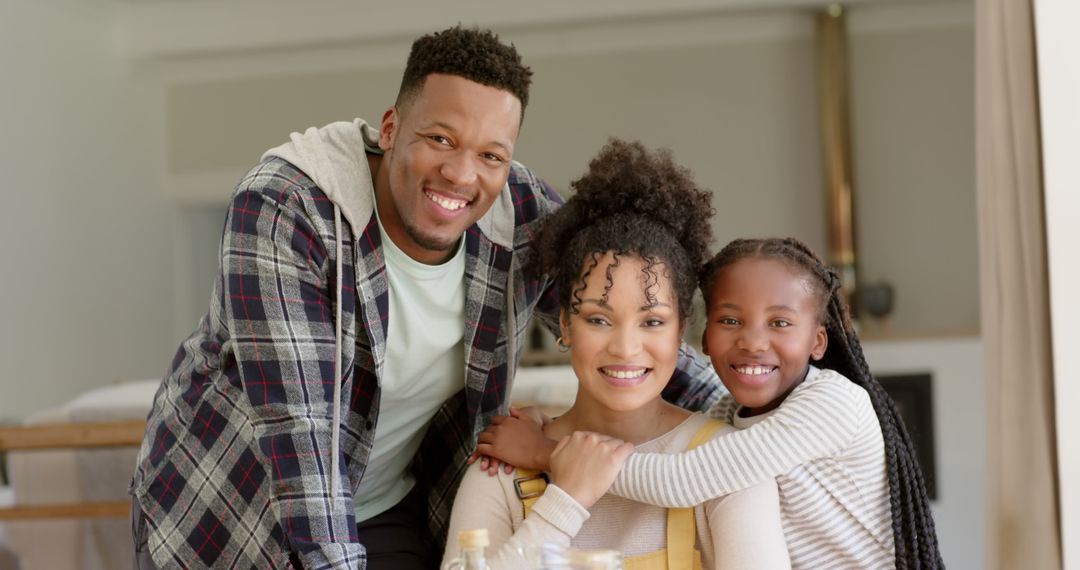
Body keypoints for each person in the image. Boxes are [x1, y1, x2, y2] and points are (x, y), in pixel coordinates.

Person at [128, 26, 721, 570]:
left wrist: (756, 407)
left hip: (387, 504)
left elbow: (631, 323)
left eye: (491, 154)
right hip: (228, 507)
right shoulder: (288, 208)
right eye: (440, 138)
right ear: (389, 129)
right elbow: (299, 432)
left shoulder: (520, 214)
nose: (463, 175)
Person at [476, 237, 943, 569]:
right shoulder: (725, 418)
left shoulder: (834, 403)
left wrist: (543, 452)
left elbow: (682, 478)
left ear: (818, 341)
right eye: (731, 320)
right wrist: (545, 419)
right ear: (701, 339)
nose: (753, 343)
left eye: (780, 323)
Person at [443, 140, 790, 569]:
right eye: (598, 319)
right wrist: (565, 500)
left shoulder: (726, 463)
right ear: (565, 324)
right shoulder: (503, 468)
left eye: (652, 321)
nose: (625, 348)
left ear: (681, 330)